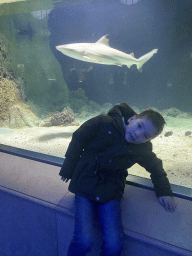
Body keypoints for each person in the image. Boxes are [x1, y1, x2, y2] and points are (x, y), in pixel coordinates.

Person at [59, 103, 177, 256]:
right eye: (139, 126)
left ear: (149, 140)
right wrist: (68, 168)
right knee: (83, 241)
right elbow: (78, 138)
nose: (138, 134)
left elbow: (156, 167)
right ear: (132, 119)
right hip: (85, 184)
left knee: (114, 246)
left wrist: (164, 192)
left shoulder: (141, 150)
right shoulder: (103, 122)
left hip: (111, 191)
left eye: (146, 136)